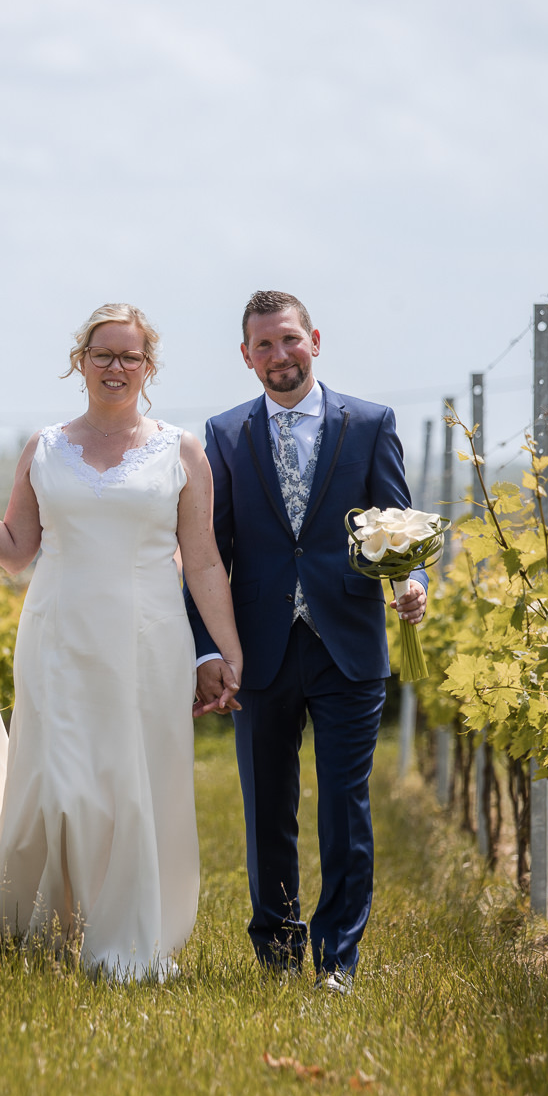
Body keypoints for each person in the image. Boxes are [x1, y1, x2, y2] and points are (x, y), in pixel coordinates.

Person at [0, 302, 245, 979]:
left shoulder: (182, 451)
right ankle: (45, 925)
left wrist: (226, 648)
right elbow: (13, 550)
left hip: (148, 641)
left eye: (129, 356)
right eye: (103, 354)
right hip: (58, 635)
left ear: (148, 366)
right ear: (80, 362)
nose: (116, 366)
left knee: (134, 781)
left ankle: (125, 928)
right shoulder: (45, 447)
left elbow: (204, 559)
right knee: (61, 784)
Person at [187, 290, 429, 994]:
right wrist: (210, 648)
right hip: (259, 646)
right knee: (267, 804)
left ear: (314, 339)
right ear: (246, 356)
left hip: (348, 641)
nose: (278, 355)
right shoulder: (225, 435)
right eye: (263, 345)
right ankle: (277, 949)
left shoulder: (370, 424)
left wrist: (410, 581)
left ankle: (339, 959)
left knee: (343, 804)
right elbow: (210, 552)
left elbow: (399, 523)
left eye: (288, 339)